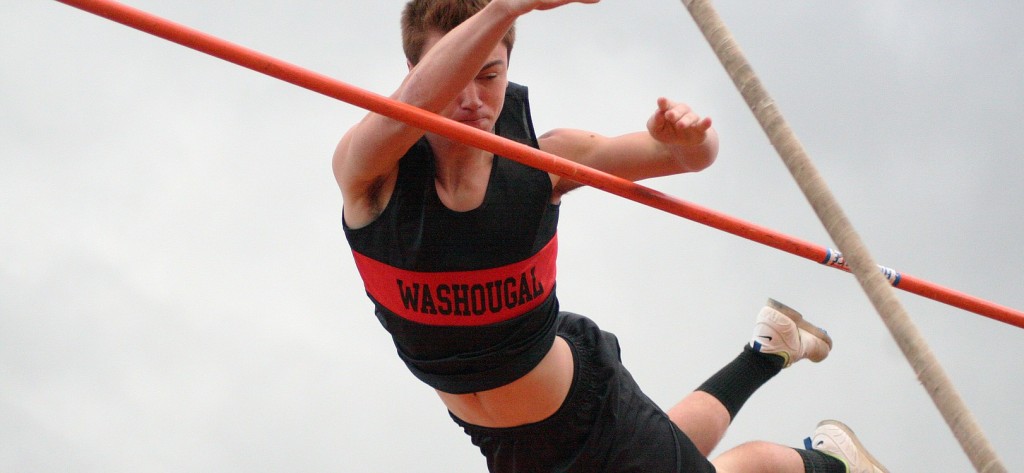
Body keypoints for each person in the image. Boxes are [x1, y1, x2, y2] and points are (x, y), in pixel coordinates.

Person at [333, 0, 889, 471]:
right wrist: (507, 6)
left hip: (585, 406)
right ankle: (767, 352)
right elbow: (412, 104)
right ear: (415, 69)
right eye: (457, 74)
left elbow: (686, 158)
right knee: (675, 451)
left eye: (491, 75)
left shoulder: (543, 160)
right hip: (503, 440)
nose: (473, 98)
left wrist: (688, 139)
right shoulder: (369, 173)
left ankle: (829, 462)